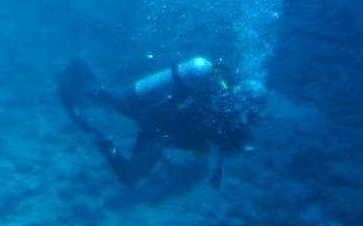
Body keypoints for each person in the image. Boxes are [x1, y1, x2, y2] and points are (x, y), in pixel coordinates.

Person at [57, 55, 264, 188]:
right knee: (130, 177)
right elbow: (211, 141)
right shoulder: (224, 115)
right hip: (160, 129)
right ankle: (96, 134)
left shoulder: (220, 97)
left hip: (157, 112)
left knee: (119, 102)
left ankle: (82, 81)